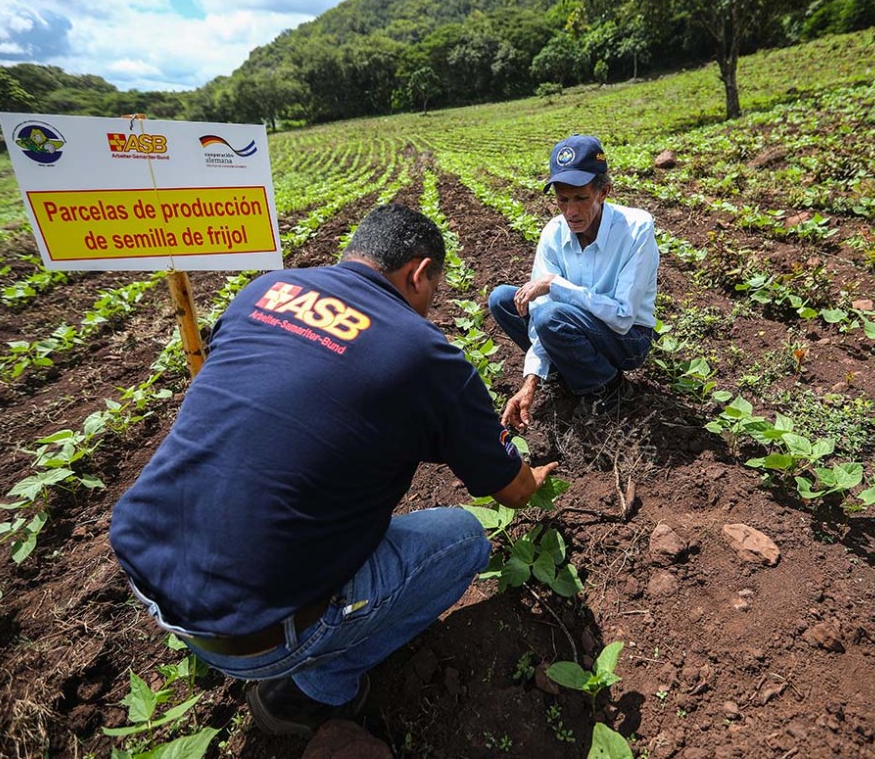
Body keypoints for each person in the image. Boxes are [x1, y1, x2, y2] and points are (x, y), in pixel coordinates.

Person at [109, 204, 558, 738]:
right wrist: (533, 477)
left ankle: (231, 642)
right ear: (418, 273)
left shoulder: (263, 292)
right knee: (463, 541)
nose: (430, 308)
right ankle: (309, 690)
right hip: (260, 631)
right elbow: (511, 492)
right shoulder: (426, 357)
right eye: (432, 291)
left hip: (147, 571)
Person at [489, 134, 659, 430]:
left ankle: (607, 386)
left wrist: (558, 285)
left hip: (628, 338)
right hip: (570, 324)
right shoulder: (554, 233)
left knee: (549, 312)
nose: (571, 212)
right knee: (504, 300)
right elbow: (541, 308)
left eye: (581, 198)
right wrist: (532, 380)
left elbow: (622, 318)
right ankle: (563, 372)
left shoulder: (636, 230)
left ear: (603, 191)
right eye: (563, 200)